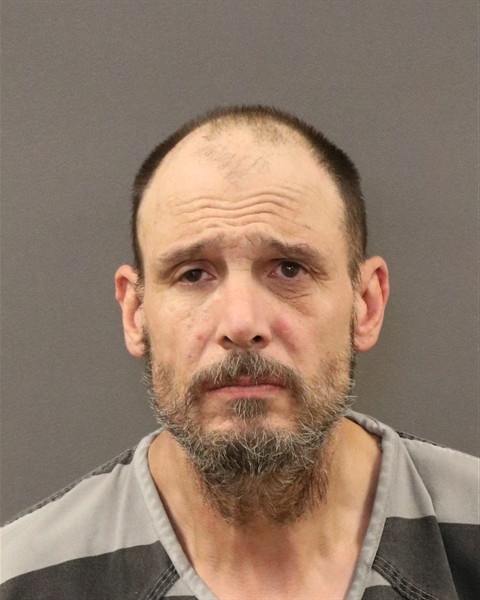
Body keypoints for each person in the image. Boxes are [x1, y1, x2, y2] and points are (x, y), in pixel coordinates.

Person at [1, 106, 478, 599]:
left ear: (366, 304)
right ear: (135, 312)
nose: (241, 324)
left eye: (289, 269)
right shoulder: (25, 580)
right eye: (193, 274)